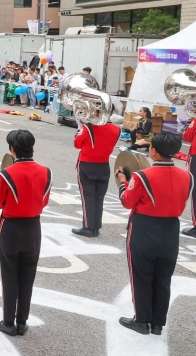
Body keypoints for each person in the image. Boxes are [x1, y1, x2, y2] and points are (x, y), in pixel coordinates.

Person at [116, 132, 192, 335]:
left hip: (144, 227)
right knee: (163, 277)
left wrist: (123, 180)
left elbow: (127, 201)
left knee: (141, 276)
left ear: (154, 151)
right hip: (171, 229)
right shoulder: (188, 176)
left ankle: (141, 320)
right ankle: (158, 323)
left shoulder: (142, 176)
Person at [0, 130, 51, 337]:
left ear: (12, 150)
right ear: (32, 147)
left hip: (11, 228)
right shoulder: (46, 172)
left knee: (9, 275)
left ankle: (8, 321)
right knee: (28, 276)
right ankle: (22, 321)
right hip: (34, 228)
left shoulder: (6, 174)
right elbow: (44, 201)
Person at [72, 117, 121, 238]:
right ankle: (95, 227)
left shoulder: (88, 128)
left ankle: (88, 227)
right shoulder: (117, 129)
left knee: (87, 197)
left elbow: (77, 144)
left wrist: (80, 128)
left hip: (87, 164)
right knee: (99, 197)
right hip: (104, 165)